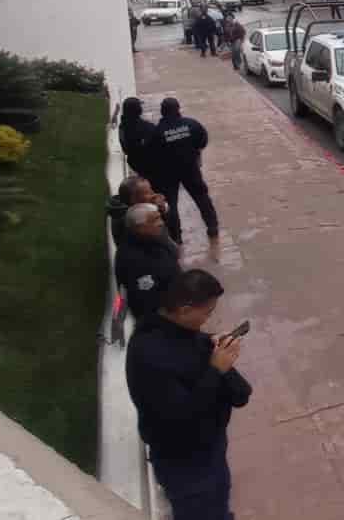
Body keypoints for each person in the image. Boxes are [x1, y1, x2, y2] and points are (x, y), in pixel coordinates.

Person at [126, 270, 251, 520]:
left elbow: (241, 394)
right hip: (185, 463)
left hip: (210, 448)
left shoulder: (186, 335)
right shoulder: (149, 357)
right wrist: (216, 370)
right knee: (200, 509)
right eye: (206, 312)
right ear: (184, 310)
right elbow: (180, 418)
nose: (208, 320)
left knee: (217, 499)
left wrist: (213, 349)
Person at [145, 97, 220, 242]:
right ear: (178, 109)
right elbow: (203, 140)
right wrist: (194, 152)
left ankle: (176, 237)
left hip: (167, 173)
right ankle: (212, 227)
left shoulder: (157, 132)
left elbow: (151, 153)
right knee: (202, 197)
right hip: (190, 169)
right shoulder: (191, 124)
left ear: (162, 111)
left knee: (171, 205)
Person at [115, 204, 182, 321]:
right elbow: (148, 303)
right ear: (140, 227)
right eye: (155, 220)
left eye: (159, 217)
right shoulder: (133, 260)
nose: (161, 223)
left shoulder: (154, 237)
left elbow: (175, 254)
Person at [108, 174, 171, 250]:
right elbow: (159, 237)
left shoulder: (135, 207)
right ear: (133, 199)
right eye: (148, 192)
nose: (153, 194)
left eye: (151, 189)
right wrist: (159, 210)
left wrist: (162, 208)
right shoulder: (133, 219)